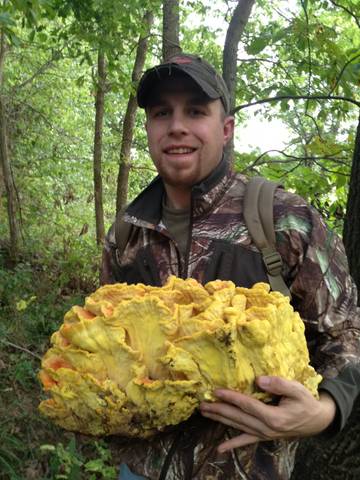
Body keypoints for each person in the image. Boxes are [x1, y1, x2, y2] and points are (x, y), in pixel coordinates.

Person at [101, 53, 360, 479]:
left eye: (196, 111)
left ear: (226, 129)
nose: (177, 125)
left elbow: (345, 330)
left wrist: (325, 411)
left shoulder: (283, 218)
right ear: (148, 129)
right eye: (162, 112)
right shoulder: (126, 235)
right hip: (139, 470)